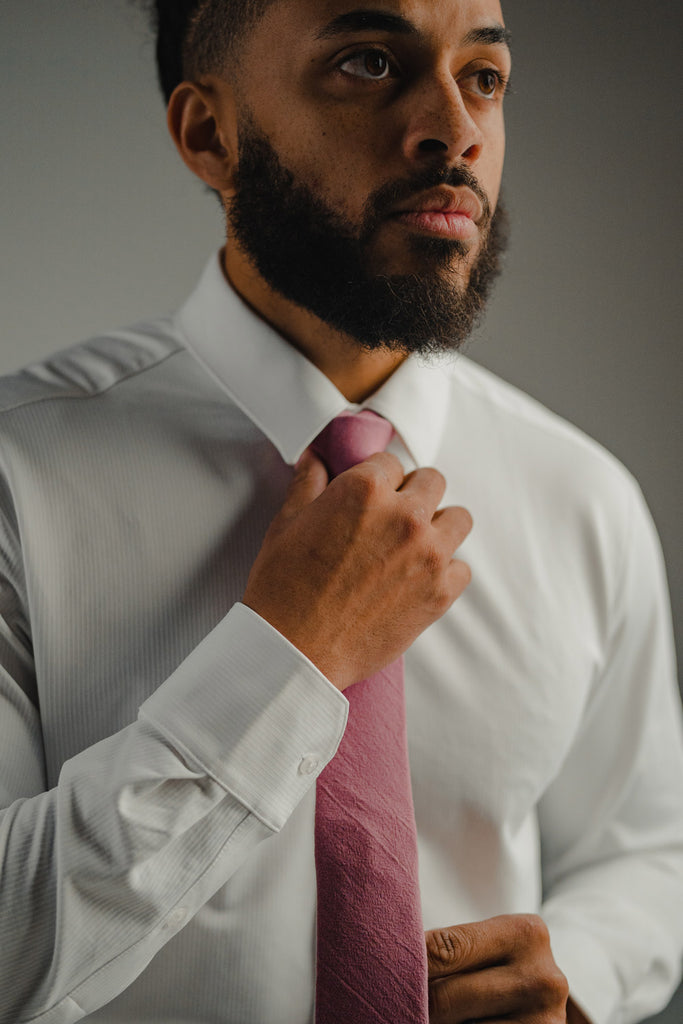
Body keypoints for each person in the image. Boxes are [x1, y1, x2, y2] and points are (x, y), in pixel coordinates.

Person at [0, 0, 682, 1021]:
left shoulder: (582, 497)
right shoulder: (18, 474)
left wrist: (572, 974)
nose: (453, 131)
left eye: (482, 78)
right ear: (207, 133)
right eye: (368, 63)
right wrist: (288, 656)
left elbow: (645, 851)